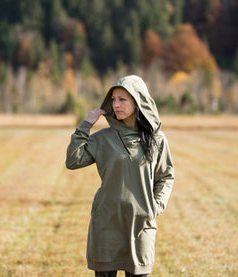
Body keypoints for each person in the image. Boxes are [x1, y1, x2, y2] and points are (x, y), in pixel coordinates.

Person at [66, 75, 174, 276]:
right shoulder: (103, 138)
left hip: (140, 224)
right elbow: (73, 161)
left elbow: (166, 176)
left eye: (122, 99)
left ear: (138, 100)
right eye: (113, 99)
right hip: (107, 223)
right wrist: (85, 125)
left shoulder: (157, 139)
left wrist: (156, 205)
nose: (116, 104)